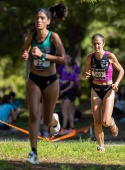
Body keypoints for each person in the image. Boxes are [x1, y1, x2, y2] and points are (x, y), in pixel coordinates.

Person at [21, 3, 68, 164]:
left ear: (48, 21)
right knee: (33, 115)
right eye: (36, 18)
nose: (38, 21)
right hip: (34, 79)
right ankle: (33, 152)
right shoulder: (31, 37)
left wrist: (43, 55)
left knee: (46, 121)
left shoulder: (53, 37)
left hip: (51, 81)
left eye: (42, 18)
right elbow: (24, 50)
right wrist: (25, 55)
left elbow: (63, 59)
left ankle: (54, 119)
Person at [82, 33, 124, 152]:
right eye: (94, 43)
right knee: (97, 121)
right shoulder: (90, 57)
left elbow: (121, 70)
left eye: (99, 43)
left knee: (105, 121)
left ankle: (112, 123)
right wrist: (85, 75)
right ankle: (101, 146)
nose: (96, 46)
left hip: (108, 90)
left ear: (103, 44)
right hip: (95, 89)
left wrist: (116, 83)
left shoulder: (110, 56)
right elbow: (84, 75)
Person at [58, 62, 77, 135]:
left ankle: (64, 128)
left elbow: (71, 85)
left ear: (71, 67)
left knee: (64, 111)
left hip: (68, 94)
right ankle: (72, 128)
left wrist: (62, 91)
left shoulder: (72, 74)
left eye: (66, 68)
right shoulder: (71, 75)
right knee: (70, 112)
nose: (66, 70)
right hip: (71, 94)